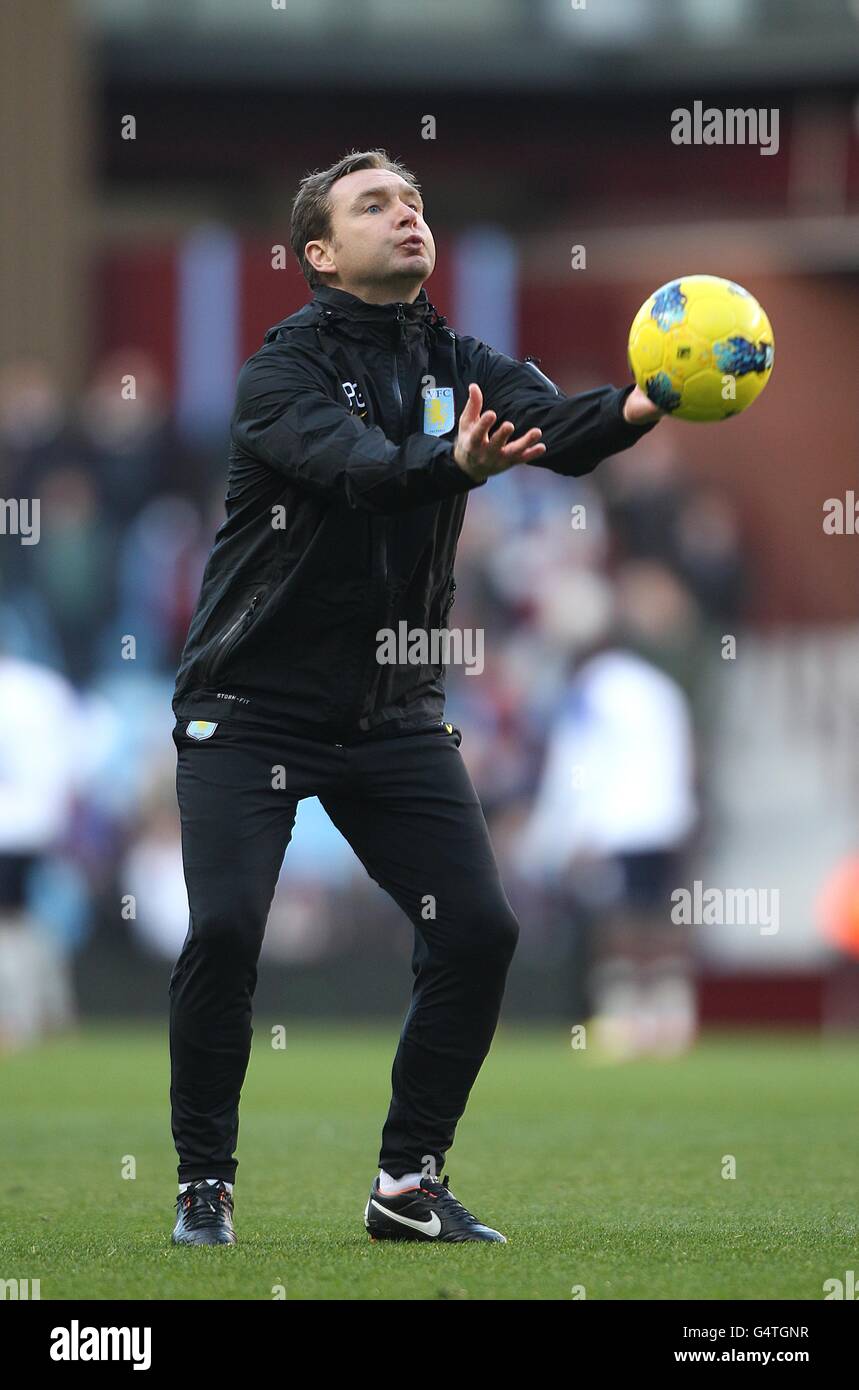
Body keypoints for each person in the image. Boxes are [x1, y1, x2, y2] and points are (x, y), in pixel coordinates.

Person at [168, 148, 661, 1246]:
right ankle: (205, 1180)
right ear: (319, 253)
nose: (407, 216)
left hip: (389, 711)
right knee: (229, 928)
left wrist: (649, 396)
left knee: (480, 930)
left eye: (415, 202)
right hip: (248, 707)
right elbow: (362, 468)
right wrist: (460, 463)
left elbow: (564, 438)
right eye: (374, 204)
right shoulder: (278, 374)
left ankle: (407, 1185)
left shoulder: (458, 356)